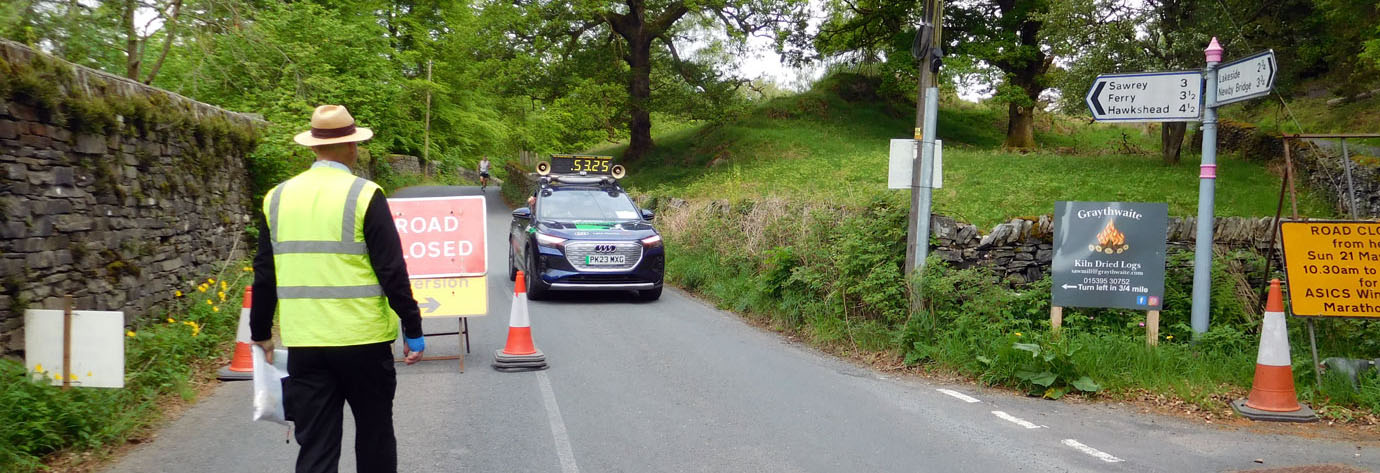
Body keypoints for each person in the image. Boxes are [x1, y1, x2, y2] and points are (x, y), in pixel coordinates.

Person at [249, 104, 425, 473]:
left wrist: (261, 333)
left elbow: (265, 273)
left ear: (313, 147)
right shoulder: (364, 194)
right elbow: (391, 270)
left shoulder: (277, 197)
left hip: (306, 344)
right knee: (375, 435)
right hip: (363, 341)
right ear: (352, 147)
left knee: (316, 444)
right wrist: (412, 327)